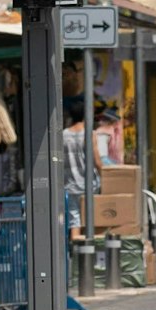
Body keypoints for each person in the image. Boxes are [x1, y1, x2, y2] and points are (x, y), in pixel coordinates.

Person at [63, 98, 99, 234]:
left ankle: (77, 252)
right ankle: (90, 251)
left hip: (71, 185)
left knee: (75, 221)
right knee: (91, 219)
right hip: (90, 186)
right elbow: (97, 161)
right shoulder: (90, 134)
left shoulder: (63, 135)